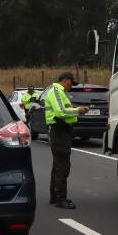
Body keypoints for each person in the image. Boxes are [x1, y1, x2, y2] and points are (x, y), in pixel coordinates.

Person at [44, 73, 89, 209]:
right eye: (71, 83)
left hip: (61, 131)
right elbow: (61, 112)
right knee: (62, 167)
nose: (71, 86)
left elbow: (64, 109)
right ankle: (60, 199)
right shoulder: (56, 91)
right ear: (65, 80)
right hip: (59, 132)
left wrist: (75, 108)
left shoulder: (61, 92)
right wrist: (78, 111)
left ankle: (55, 197)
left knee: (57, 166)